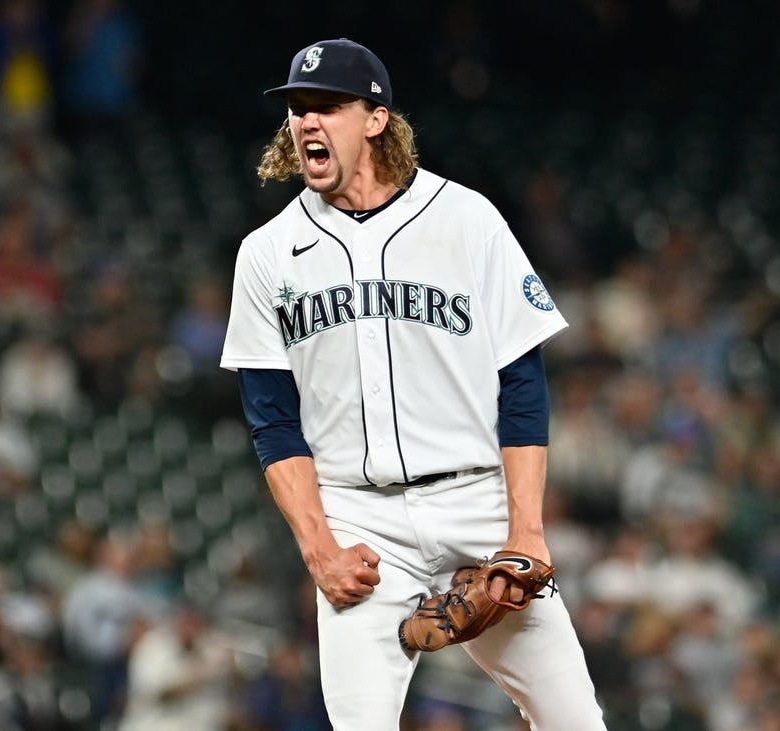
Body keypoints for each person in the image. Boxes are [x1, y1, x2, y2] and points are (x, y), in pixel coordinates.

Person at [220, 38, 606, 730]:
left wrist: (526, 528)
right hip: (359, 521)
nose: (307, 121)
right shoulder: (266, 254)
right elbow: (271, 419)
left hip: (476, 503)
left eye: (327, 106)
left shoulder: (467, 219)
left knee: (575, 719)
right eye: (297, 109)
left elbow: (521, 383)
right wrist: (320, 550)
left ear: (375, 118)